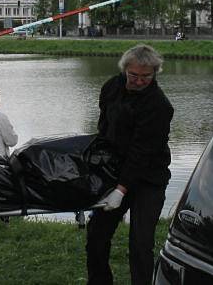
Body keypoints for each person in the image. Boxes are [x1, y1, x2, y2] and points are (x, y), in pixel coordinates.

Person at [86, 44, 174, 285]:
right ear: (125, 70)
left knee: (141, 242)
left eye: (146, 76)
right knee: (97, 234)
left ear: (155, 73)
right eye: (134, 75)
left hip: (149, 179)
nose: (139, 81)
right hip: (114, 171)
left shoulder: (159, 106)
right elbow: (103, 129)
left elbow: (142, 152)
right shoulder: (111, 88)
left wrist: (121, 190)